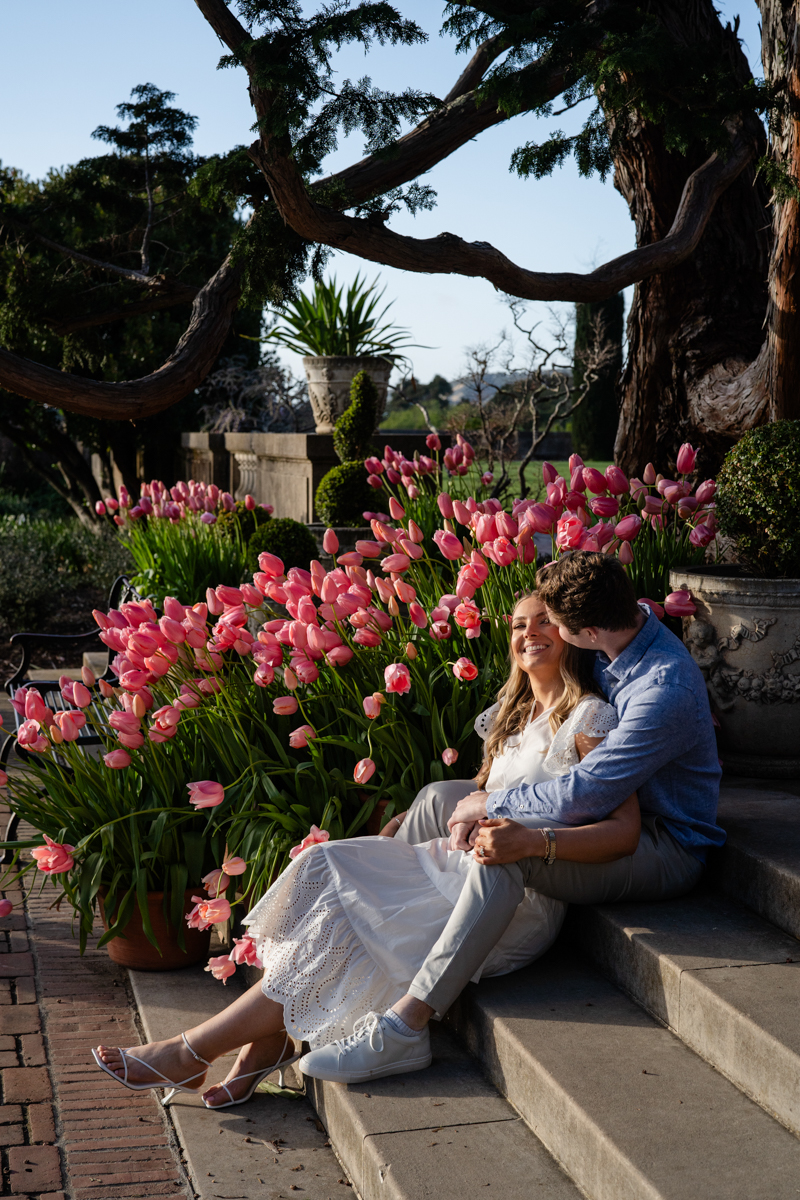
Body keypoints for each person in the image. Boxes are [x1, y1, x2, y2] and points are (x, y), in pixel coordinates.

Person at [92, 590, 640, 1104]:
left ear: (571, 632)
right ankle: (260, 1043)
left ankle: (192, 1051)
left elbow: (621, 831)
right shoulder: (510, 715)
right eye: (520, 624)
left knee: (358, 923)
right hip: (451, 864)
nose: (530, 633)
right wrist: (426, 826)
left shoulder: (589, 717)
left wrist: (535, 841)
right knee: (325, 863)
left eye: (545, 621)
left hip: (510, 897)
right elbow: (483, 796)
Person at [300, 551, 724, 1085]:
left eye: (557, 624)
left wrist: (491, 805)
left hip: (661, 841)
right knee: (435, 797)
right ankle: (375, 931)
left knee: (503, 850)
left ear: (588, 632)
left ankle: (405, 1025)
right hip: (596, 805)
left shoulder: (663, 690)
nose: (545, 630)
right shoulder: (624, 621)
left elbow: (589, 793)